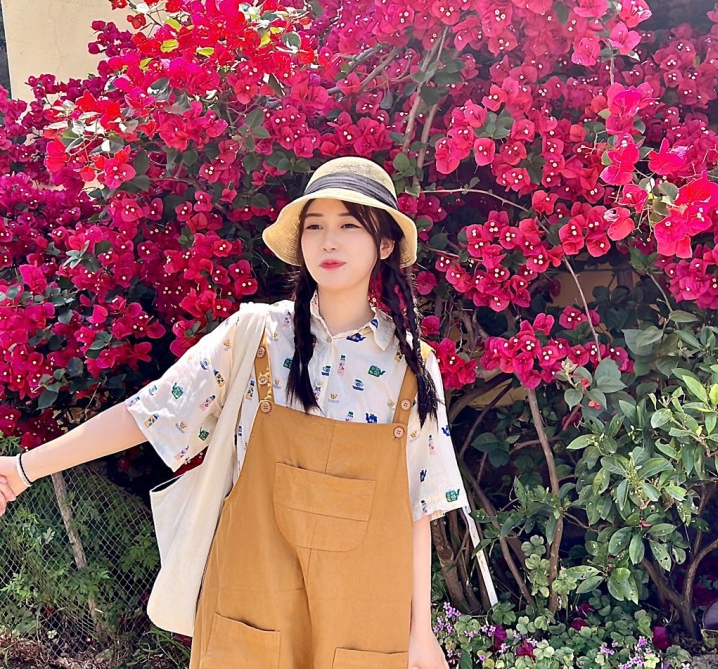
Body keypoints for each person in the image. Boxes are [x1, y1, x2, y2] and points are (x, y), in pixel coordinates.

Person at [0, 156, 470, 669]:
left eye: (349, 226)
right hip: (249, 600)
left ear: (385, 245)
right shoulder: (256, 336)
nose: (328, 242)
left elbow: (418, 503)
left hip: (364, 614)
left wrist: (421, 633)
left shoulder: (411, 365)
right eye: (315, 226)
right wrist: (23, 468)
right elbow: (150, 413)